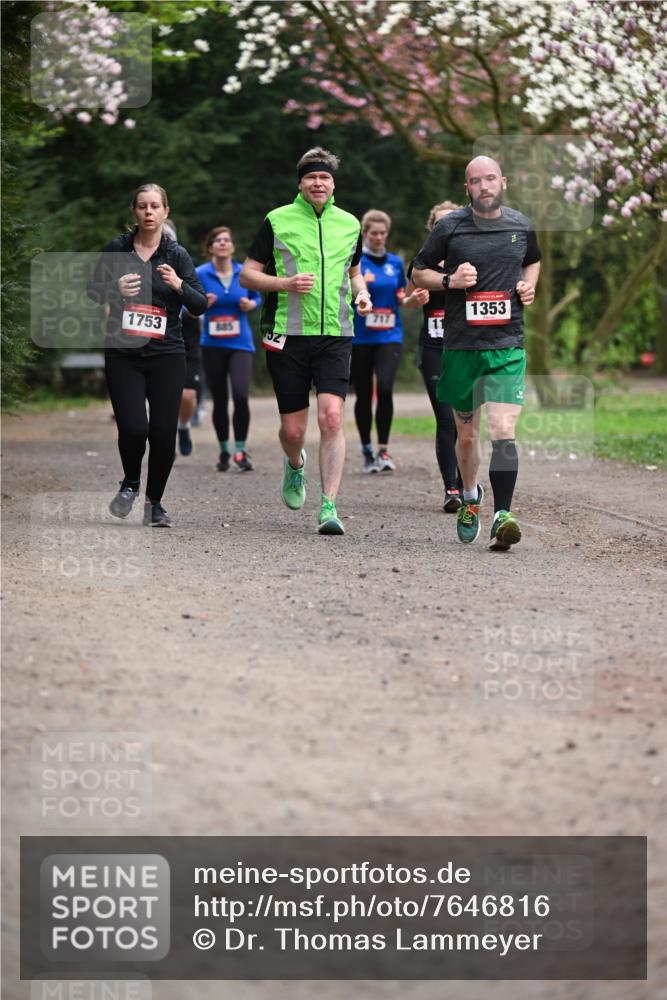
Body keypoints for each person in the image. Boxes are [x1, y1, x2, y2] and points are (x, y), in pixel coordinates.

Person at [240, 146, 372, 535]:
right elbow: (248, 275)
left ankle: (329, 506)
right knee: (293, 431)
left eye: (325, 177)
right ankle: (295, 465)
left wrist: (361, 294)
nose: (319, 183)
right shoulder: (277, 220)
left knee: (332, 417)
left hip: (336, 333)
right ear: (301, 181)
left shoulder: (349, 224)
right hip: (288, 333)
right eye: (312, 176)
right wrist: (284, 284)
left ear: (333, 184)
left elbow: (355, 272)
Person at [412, 156, 541, 550]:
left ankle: (503, 514)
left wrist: (527, 287)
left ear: (502, 181)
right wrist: (449, 279)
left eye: (490, 179)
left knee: (503, 430)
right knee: (466, 436)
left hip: (506, 345)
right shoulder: (450, 227)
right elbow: (418, 271)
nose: (484, 186)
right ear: (466, 188)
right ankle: (470, 497)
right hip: (462, 346)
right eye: (475, 181)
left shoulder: (520, 225)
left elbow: (532, 261)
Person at [87, 183, 207, 526]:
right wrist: (115, 289)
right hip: (124, 353)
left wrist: (179, 286)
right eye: (143, 206)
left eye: (155, 206)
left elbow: (199, 305)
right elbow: (92, 290)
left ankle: (155, 502)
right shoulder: (117, 249)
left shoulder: (177, 255)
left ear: (166, 211)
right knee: (133, 426)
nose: (149, 212)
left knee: (164, 431)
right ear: (134, 212)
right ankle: (130, 483)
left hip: (167, 354)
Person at [351, 209, 427, 473]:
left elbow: (401, 299)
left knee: (384, 387)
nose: (379, 238)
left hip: (389, 335)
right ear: (365, 234)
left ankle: (383, 450)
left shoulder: (395, 263)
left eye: (383, 233)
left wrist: (412, 301)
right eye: (374, 233)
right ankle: (366, 450)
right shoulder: (356, 264)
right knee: (362, 394)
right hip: (360, 337)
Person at [405, 201, 463, 511]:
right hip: (433, 348)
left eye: (451, 221)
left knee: (465, 420)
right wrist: (415, 299)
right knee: (445, 419)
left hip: (465, 349)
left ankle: (468, 483)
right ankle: (451, 489)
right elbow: (408, 301)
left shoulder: (469, 259)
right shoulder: (421, 264)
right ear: (432, 228)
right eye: (439, 223)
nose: (445, 227)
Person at [197, 227, 261, 471]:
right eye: (217, 240)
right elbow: (185, 306)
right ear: (211, 247)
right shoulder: (199, 274)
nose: (223, 243)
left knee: (241, 395)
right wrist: (202, 303)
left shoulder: (244, 273)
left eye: (227, 240)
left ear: (233, 246)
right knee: (220, 399)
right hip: (212, 344)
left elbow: (258, 298)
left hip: (240, 343)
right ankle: (224, 450)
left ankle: (241, 450)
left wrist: (250, 304)